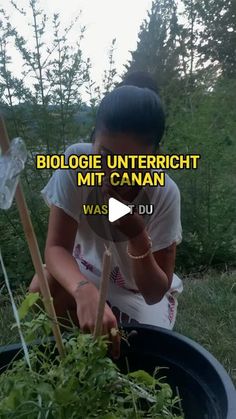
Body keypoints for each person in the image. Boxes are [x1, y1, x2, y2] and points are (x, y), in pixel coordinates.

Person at [29, 72, 183, 359]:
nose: (115, 172)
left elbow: (153, 292)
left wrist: (137, 235)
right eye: (105, 156)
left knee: (140, 349)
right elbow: (56, 248)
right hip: (86, 269)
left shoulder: (164, 193)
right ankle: (72, 343)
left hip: (137, 295)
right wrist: (82, 289)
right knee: (40, 289)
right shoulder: (77, 165)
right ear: (92, 140)